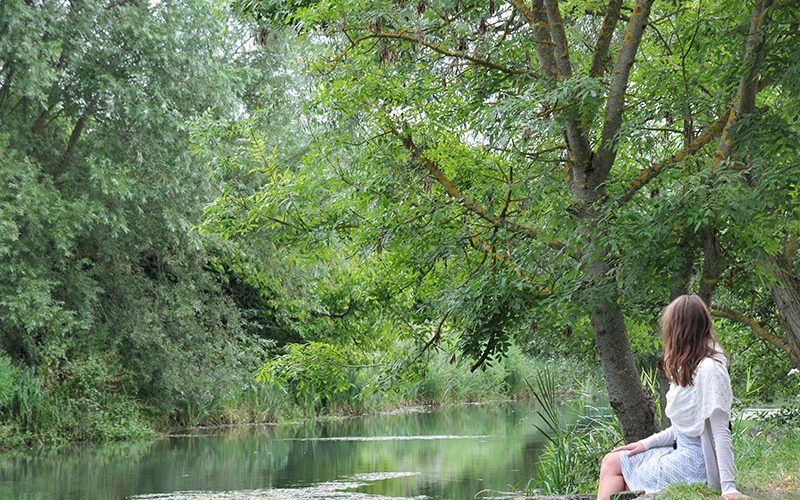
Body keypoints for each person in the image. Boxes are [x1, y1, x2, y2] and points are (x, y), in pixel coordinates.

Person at [596, 294, 745, 500]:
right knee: (612, 460)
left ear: (678, 330)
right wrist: (645, 444)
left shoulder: (710, 369)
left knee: (615, 467)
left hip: (696, 464)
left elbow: (721, 430)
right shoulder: (689, 366)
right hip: (683, 454)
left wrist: (729, 488)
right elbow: (684, 429)